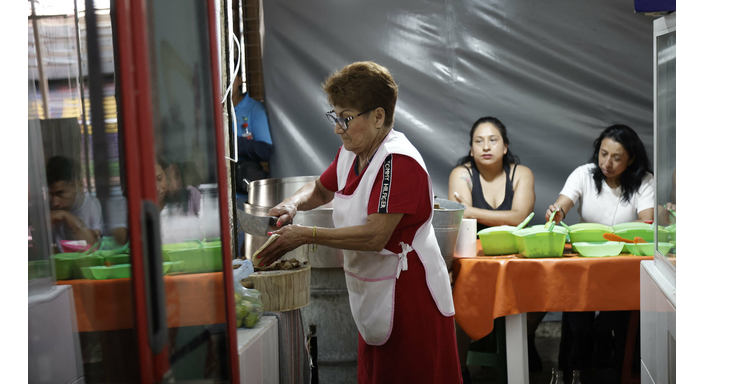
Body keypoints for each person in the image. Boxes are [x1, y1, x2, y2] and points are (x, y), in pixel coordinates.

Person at [257, 61, 461, 384]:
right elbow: (322, 188)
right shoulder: (351, 153)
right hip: (373, 294)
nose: (338, 127)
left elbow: (375, 237)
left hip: (409, 299)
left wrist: (305, 234)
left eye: (346, 118)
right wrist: (292, 204)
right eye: (335, 116)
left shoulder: (398, 162)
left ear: (378, 117)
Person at [545, 124, 654, 380]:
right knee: (578, 314)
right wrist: (557, 212)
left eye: (617, 158)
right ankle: (575, 365)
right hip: (588, 260)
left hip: (624, 264)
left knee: (614, 317)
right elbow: (563, 204)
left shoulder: (644, 180)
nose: (607, 163)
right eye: (603, 154)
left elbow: (647, 223)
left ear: (632, 158)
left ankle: (614, 365)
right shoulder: (584, 174)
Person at [447, 117, 541, 378]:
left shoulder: (521, 173)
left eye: (493, 140)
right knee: (462, 287)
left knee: (544, 282)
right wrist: (507, 216)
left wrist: (472, 211)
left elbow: (521, 216)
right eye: (479, 141)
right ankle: (460, 368)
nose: (486, 147)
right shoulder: (462, 174)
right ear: (470, 149)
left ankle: (524, 339)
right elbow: (461, 217)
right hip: (475, 259)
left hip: (518, 256)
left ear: (505, 147)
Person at [232, 74, 273, 255]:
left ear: (240, 79)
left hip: (243, 193)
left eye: (229, 78)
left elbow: (266, 150)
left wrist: (234, 144)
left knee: (243, 248)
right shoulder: (210, 109)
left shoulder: (254, 109)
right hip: (218, 190)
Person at [46, 155, 103, 250]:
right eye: (51, 194)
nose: (55, 202)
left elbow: (93, 247)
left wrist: (66, 216)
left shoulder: (91, 204)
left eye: (61, 193)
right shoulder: (49, 205)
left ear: (79, 186)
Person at [156, 158, 204, 243]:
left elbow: (205, 226)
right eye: (168, 179)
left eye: (177, 176)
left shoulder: (192, 194)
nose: (175, 185)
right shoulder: (161, 208)